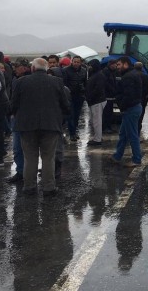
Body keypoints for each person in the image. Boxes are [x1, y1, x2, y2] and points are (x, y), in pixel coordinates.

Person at [11, 58, 70, 196]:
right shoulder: (57, 82)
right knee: (48, 158)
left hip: (27, 126)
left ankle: (29, 187)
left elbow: (13, 105)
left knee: (29, 158)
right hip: (50, 125)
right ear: (47, 68)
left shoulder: (20, 82)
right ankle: (49, 188)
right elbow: (65, 105)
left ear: (32, 68)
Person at [112, 57, 143, 167]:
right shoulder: (133, 74)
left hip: (130, 109)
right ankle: (117, 156)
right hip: (133, 107)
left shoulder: (128, 77)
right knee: (123, 134)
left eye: (119, 64)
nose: (117, 67)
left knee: (132, 135)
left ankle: (137, 160)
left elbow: (128, 95)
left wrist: (121, 106)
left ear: (126, 64)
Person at [6, 58, 32, 183]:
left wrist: (11, 112)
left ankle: (24, 172)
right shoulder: (15, 79)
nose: (15, 69)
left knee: (21, 147)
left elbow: (15, 100)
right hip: (19, 116)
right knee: (19, 148)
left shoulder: (25, 80)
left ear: (25, 67)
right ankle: (22, 171)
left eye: (17, 66)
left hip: (21, 117)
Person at [63, 55, 87, 141]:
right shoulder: (66, 70)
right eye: (75, 62)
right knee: (71, 115)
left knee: (77, 115)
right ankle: (72, 133)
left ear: (80, 63)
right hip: (70, 96)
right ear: (72, 62)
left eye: (78, 62)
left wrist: (84, 91)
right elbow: (64, 83)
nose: (76, 63)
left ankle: (74, 131)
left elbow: (85, 82)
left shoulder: (84, 71)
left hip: (80, 96)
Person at [85, 59, 107, 147]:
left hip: (97, 101)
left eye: (91, 65)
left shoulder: (99, 75)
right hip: (95, 101)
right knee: (95, 121)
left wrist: (90, 97)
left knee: (97, 121)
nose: (89, 67)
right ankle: (97, 137)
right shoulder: (95, 74)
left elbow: (98, 89)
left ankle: (97, 139)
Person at [134, 62, 148, 134]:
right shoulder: (145, 76)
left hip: (133, 99)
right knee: (140, 117)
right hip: (142, 99)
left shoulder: (132, 75)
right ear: (142, 68)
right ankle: (137, 132)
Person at [101, 59, 118, 134]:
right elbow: (106, 84)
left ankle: (109, 126)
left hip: (111, 96)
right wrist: (113, 90)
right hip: (107, 96)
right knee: (106, 113)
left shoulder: (112, 72)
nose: (116, 66)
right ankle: (105, 127)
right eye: (115, 64)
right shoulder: (106, 72)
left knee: (110, 113)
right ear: (111, 64)